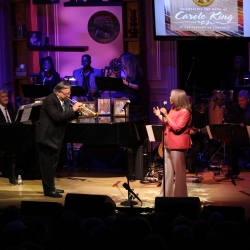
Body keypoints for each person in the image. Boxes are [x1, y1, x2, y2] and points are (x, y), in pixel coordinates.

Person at [35, 81, 82, 198]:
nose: (69, 96)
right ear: (59, 92)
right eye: (67, 94)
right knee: (47, 167)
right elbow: (58, 117)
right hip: (46, 138)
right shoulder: (50, 100)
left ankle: (52, 187)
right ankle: (48, 190)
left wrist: (77, 112)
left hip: (56, 138)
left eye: (69, 93)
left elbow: (66, 116)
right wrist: (73, 110)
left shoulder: (64, 101)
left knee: (53, 165)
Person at [153, 89, 192, 197]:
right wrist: (159, 115)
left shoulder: (185, 112)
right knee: (167, 172)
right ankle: (165, 196)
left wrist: (166, 114)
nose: (169, 98)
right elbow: (167, 123)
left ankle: (180, 197)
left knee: (179, 173)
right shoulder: (173, 110)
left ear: (177, 98)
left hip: (178, 146)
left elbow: (177, 128)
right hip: (167, 144)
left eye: (171, 96)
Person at [225, 90, 250, 176]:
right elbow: (230, 120)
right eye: (239, 100)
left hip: (248, 136)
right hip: (238, 136)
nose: (240, 102)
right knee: (230, 145)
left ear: (248, 100)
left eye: (242, 100)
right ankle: (234, 169)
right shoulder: (234, 108)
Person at [0, 89, 17, 185]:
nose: (6, 98)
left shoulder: (10, 106)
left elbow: (14, 120)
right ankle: (10, 173)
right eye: (3, 97)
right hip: (2, 136)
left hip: (12, 133)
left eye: (6, 96)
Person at [186, 95, 206, 174]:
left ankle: (191, 165)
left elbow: (201, 132)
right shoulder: (178, 113)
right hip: (181, 138)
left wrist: (194, 132)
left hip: (194, 138)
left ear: (190, 104)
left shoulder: (197, 116)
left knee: (196, 148)